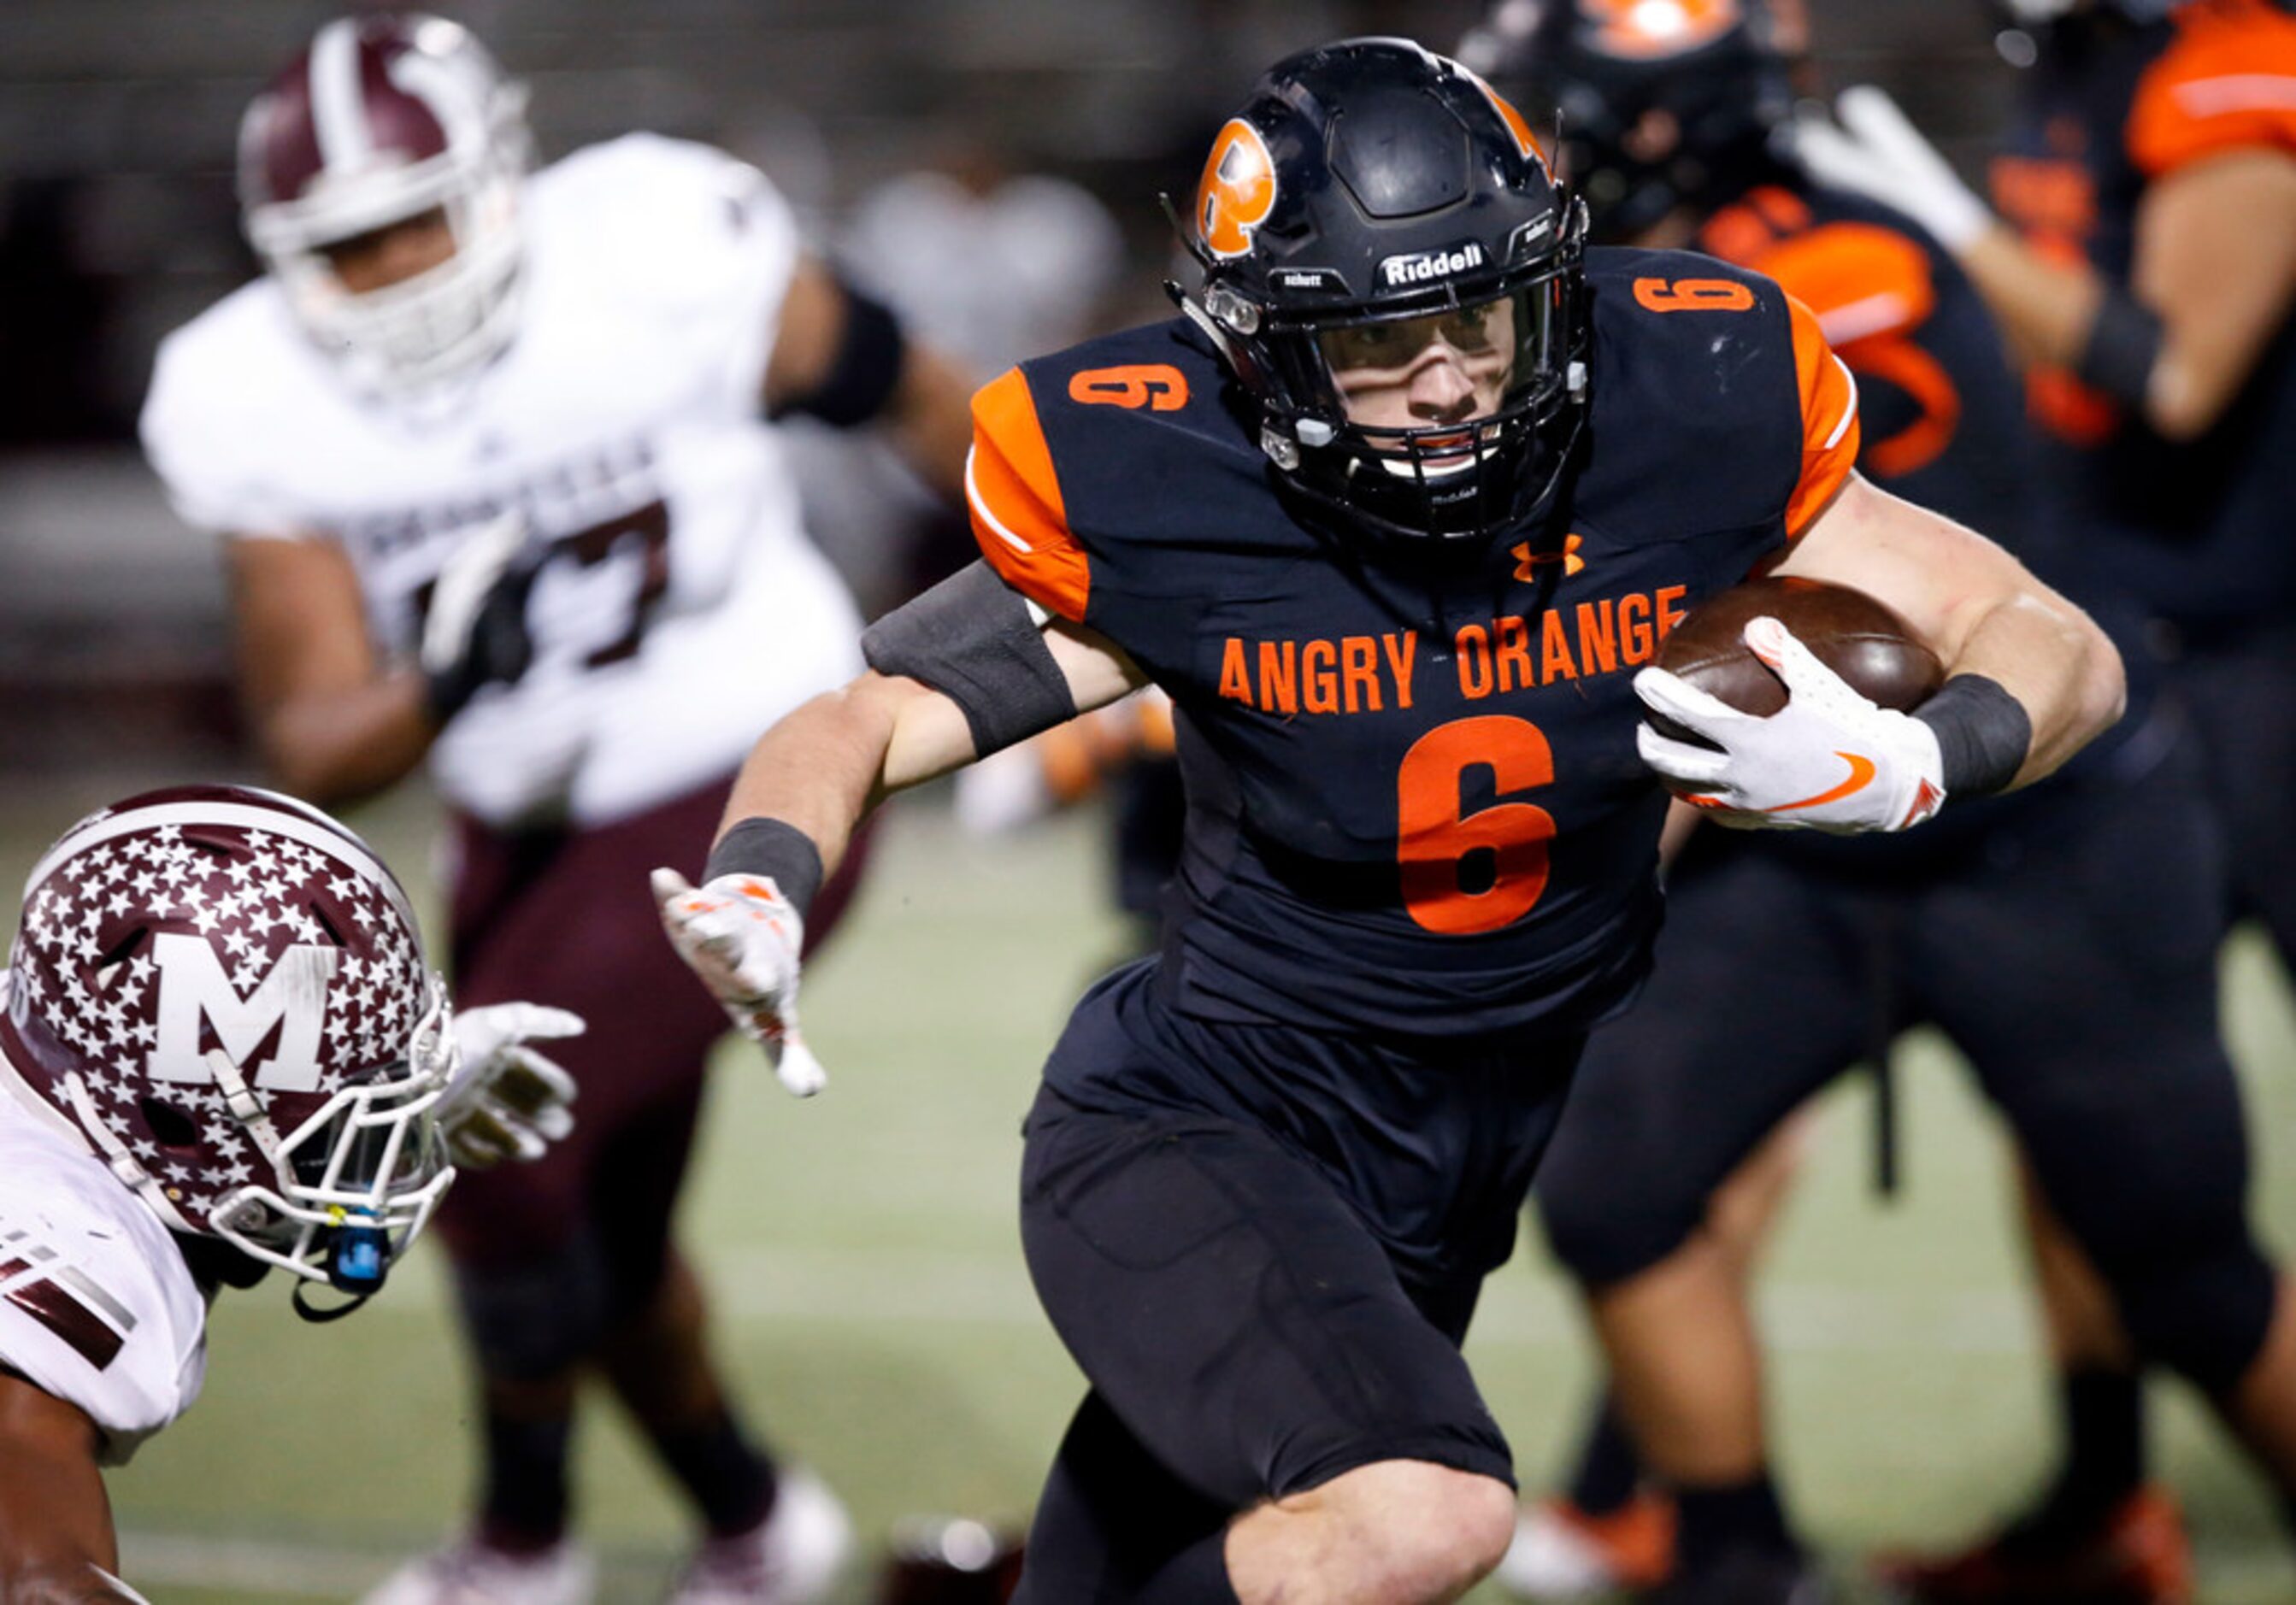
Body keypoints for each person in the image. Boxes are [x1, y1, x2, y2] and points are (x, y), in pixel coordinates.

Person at [656, 37, 2124, 1605]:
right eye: (1377, 338)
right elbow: (859, 715)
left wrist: (1922, 760)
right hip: (1207, 1120)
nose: (1444, 374)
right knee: (1422, 1511)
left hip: (1451, 1163)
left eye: (1474, 313)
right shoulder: (1187, 487)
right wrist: (762, 880)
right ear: (1261, 355)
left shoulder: (1677, 410)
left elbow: (2053, 643)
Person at [1457, 4, 2296, 1602]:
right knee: (1621, 1173)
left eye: (1548, 114)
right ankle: (1730, 1555)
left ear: (1656, 133)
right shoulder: (1652, 271)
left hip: (2040, 831)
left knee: (2186, 1274)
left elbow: (1774, 605)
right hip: (1815, 859)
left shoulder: (1815, 280)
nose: (1520, 150)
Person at [135, 14, 978, 1602]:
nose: (385, 270)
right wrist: (444, 680)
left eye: (409, 218)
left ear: (500, 175)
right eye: (340, 245)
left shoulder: (658, 243)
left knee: (485, 1157)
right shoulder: (247, 389)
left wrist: (1087, 604)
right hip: (520, 831)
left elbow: (932, 407)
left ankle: (521, 1544)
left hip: (759, 766)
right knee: (598, 1222)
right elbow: (318, 739)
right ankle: (751, 1524)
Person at [1797, 0, 2296, 1593]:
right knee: (2072, 1098)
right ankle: (2102, 1501)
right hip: (2129, 640)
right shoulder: (2084, 56)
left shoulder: (2236, 58)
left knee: (2150, 1163)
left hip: (2261, 661)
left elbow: (2177, 372)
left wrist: (1942, 235)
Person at [0, 782, 581, 1604]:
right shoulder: (74, 1242)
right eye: (355, 1096)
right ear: (184, 1110)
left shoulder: (59, 1052)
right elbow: (33, 1577)